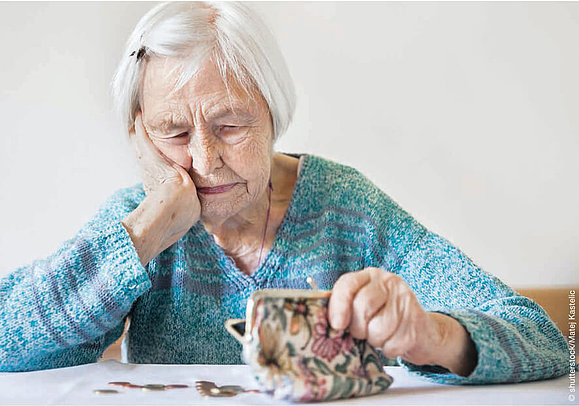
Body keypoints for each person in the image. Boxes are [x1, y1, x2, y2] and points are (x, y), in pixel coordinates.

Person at [0, 2, 569, 384]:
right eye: (173, 133)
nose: (203, 159)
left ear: (274, 115)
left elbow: (543, 340)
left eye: (231, 126)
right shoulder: (135, 226)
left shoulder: (345, 208)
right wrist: (143, 235)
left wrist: (433, 336)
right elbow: (9, 338)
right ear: (140, 135)